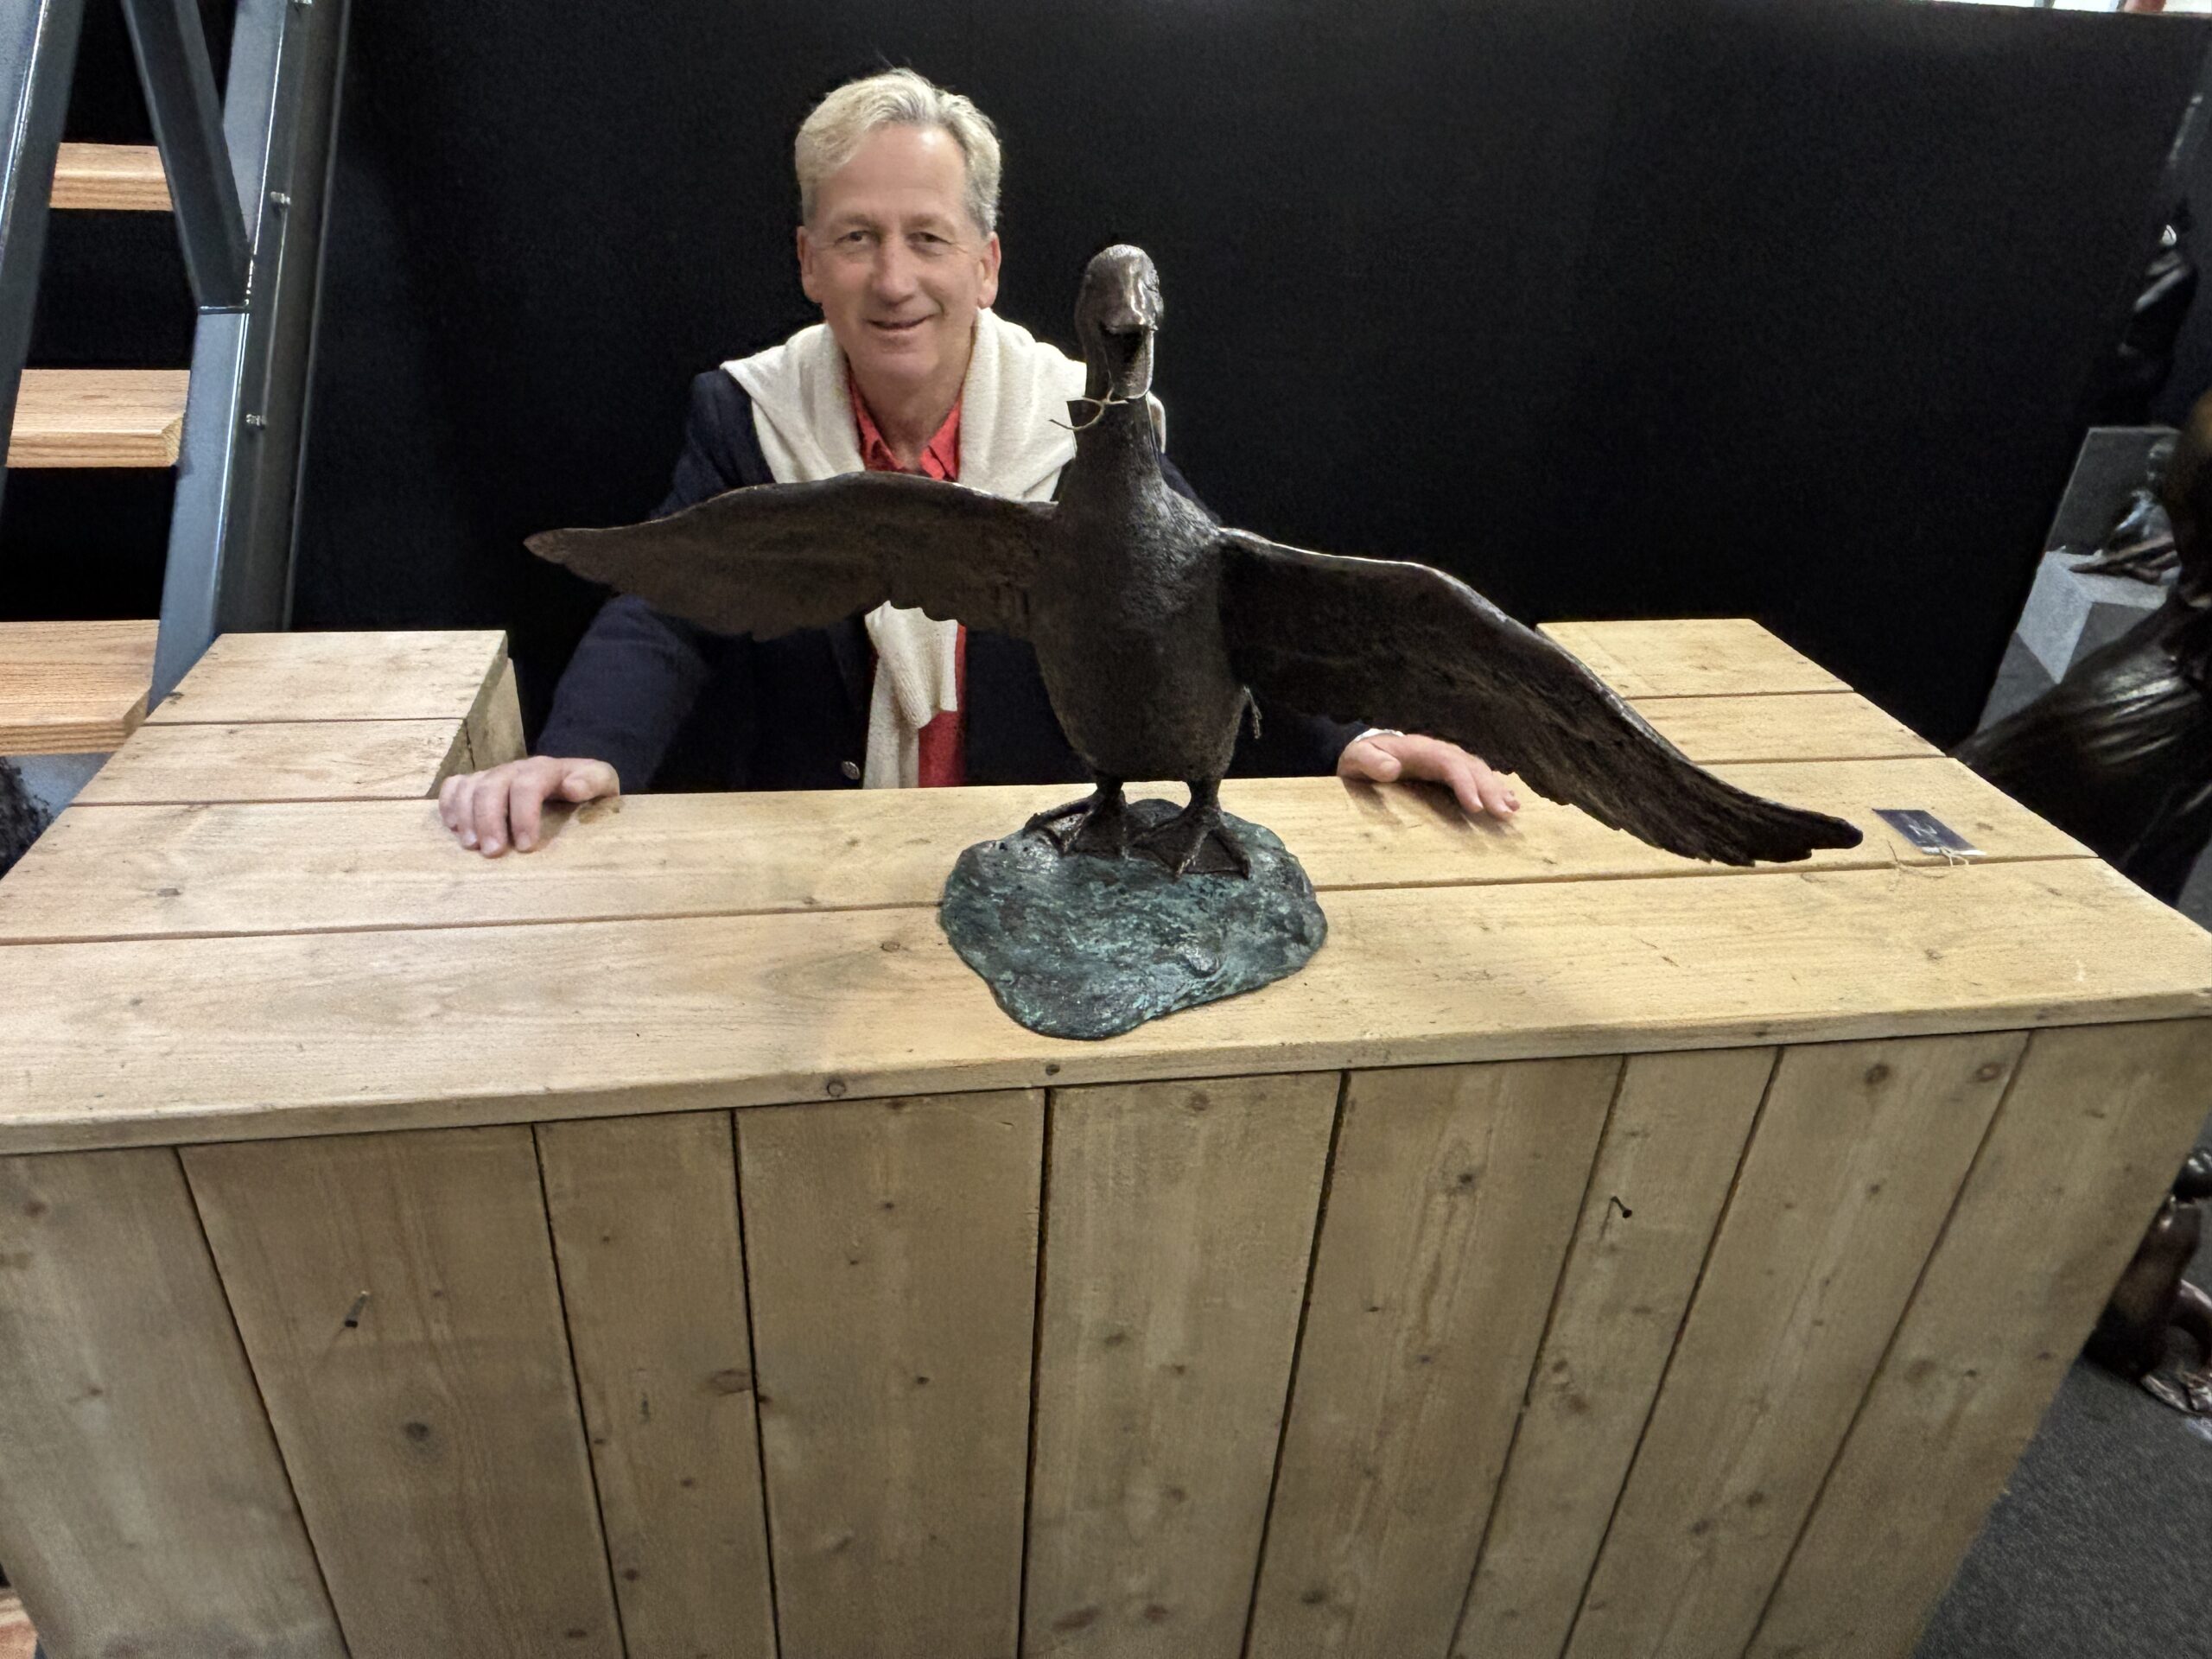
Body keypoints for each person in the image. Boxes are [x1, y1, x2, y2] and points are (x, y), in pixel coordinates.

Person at [440, 68, 1519, 857]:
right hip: (817, 859)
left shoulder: (1090, 431)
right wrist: (580, 748)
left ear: (986, 265)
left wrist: (1357, 738)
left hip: (1030, 845)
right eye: (856, 238)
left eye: (927, 237)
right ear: (809, 262)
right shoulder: (746, 414)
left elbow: (1211, 610)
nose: (893, 279)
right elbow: (665, 607)